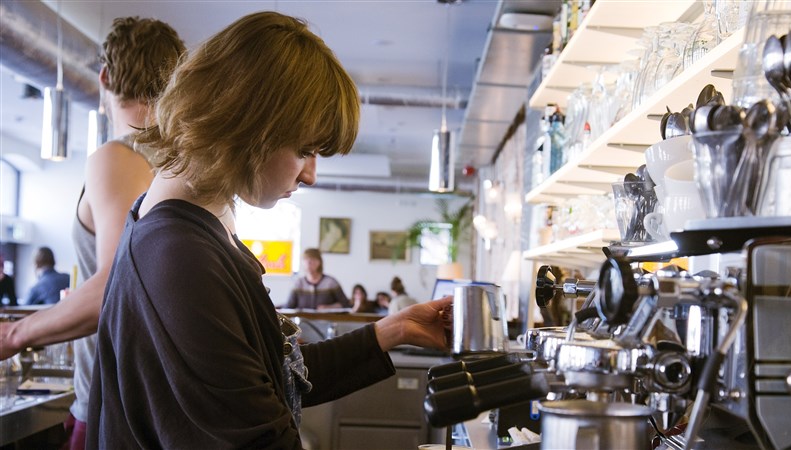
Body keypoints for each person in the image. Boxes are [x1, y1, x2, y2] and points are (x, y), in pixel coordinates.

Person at [85, 12, 452, 448]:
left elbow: (264, 373)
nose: (310, 175)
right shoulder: (178, 256)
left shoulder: (188, 229)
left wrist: (391, 332)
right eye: (305, 150)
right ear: (249, 125)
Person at [0, 17, 185, 449]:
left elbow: (114, 286)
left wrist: (14, 334)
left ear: (103, 76)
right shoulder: (179, 161)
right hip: (157, 402)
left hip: (114, 401)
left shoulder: (117, 158)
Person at [283, 248, 350, 310]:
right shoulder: (299, 283)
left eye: (312, 260)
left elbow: (345, 304)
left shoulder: (331, 282)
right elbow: (289, 307)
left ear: (319, 262)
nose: (309, 263)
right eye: (306, 260)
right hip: (303, 322)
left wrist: (329, 307)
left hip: (326, 321)